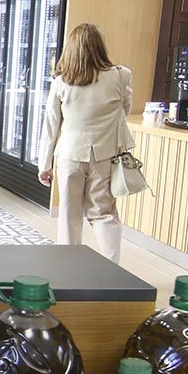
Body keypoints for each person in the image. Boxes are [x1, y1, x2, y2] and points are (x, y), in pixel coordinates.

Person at [37, 23, 133, 264]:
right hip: (104, 155)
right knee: (103, 213)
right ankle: (112, 267)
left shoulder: (61, 81)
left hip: (70, 154)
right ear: (100, 46)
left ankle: (69, 268)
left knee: (69, 214)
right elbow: (125, 110)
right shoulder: (121, 76)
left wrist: (44, 164)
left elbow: (51, 125)